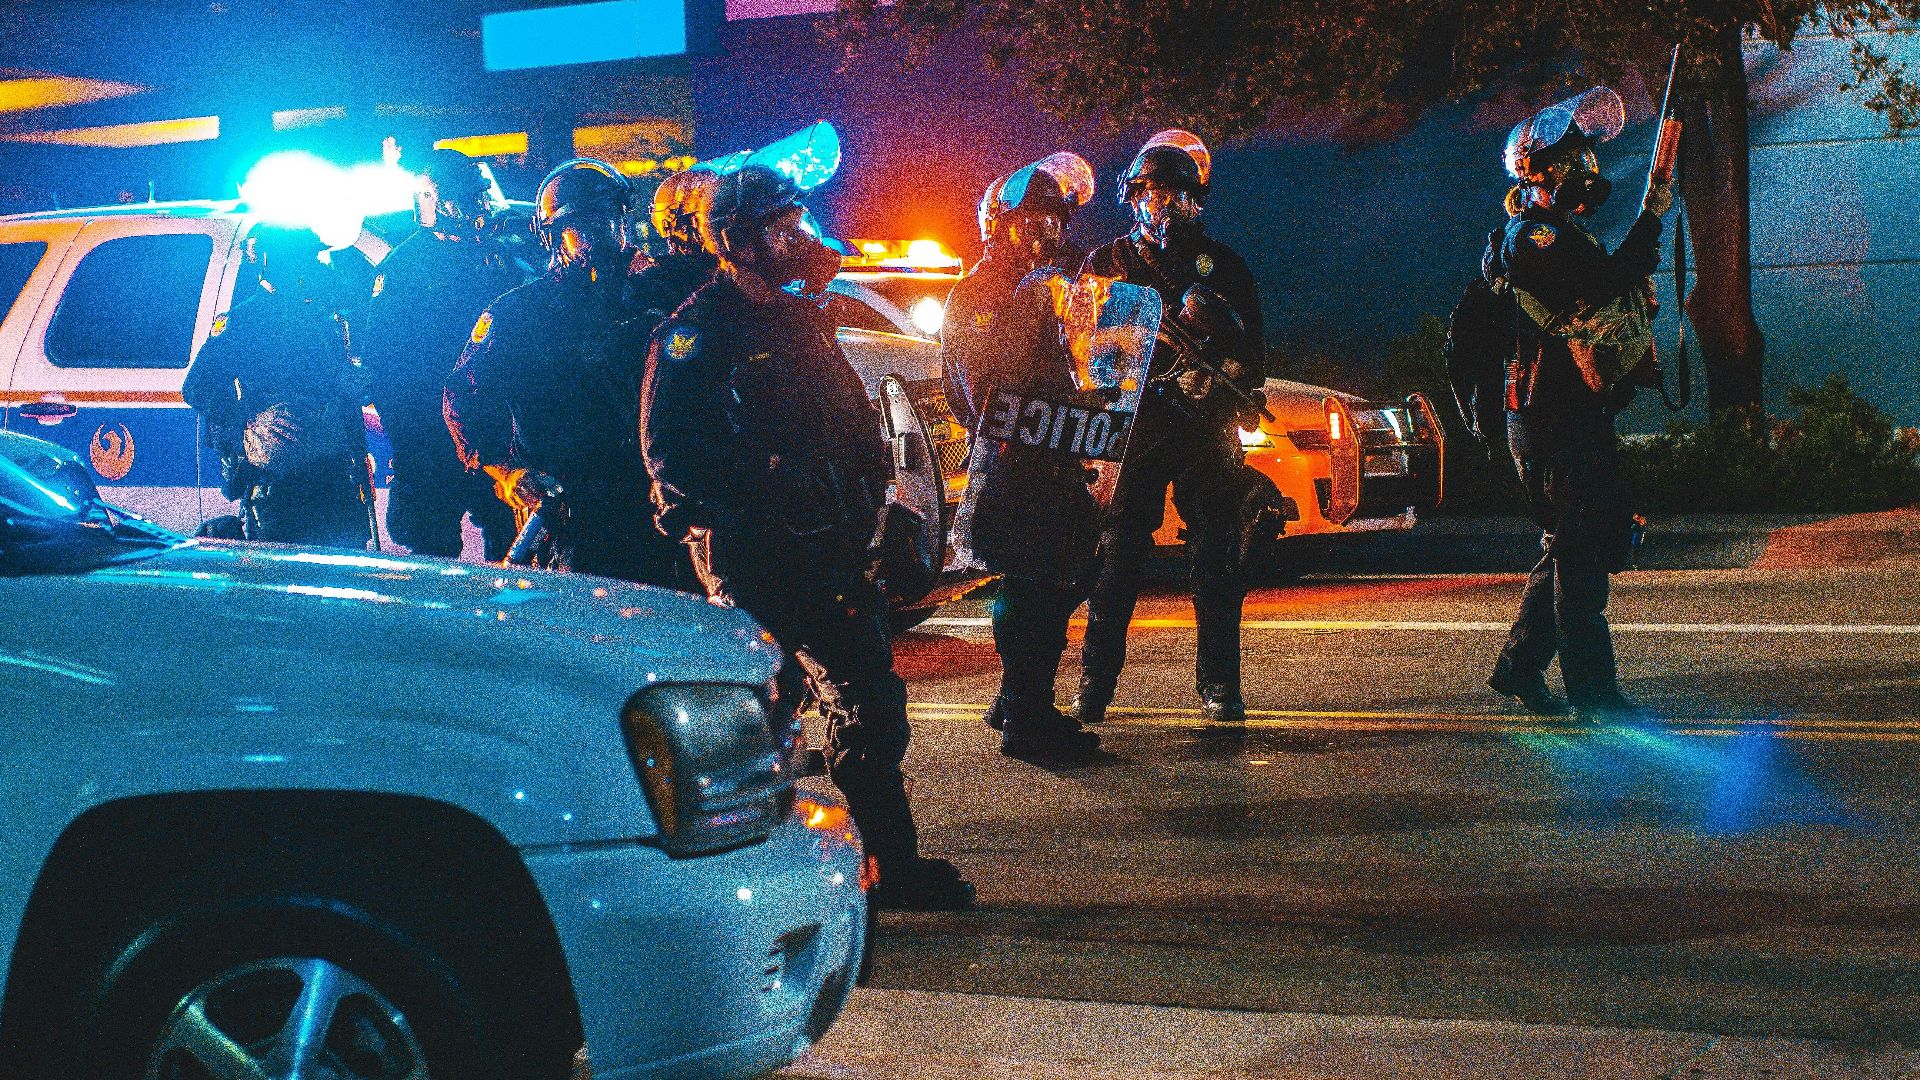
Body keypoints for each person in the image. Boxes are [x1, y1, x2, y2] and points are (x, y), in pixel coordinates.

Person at [639, 163, 974, 911]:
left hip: (829, 549)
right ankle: (745, 878)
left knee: (872, 704)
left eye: (799, 224)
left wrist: (876, 511)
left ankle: (893, 864)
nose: (799, 240)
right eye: (781, 229)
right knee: (757, 722)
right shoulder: (697, 333)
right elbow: (669, 454)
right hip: (755, 560)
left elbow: (852, 427)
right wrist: (747, 507)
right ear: (738, 242)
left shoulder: (802, 321)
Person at [1482, 87, 1671, 720]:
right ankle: (1594, 694)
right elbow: (1601, 282)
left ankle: (1518, 670)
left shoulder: (1563, 233)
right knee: (1583, 550)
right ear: (1539, 174)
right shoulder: (1532, 236)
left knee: (1570, 544)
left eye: (1585, 157)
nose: (1584, 169)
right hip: (1546, 416)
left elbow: (1614, 285)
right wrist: (1652, 211)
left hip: (1572, 412)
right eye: (1570, 160)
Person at [1072, 130, 1267, 726]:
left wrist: (1220, 357)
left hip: (1204, 426)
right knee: (1119, 558)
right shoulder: (1108, 263)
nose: (1166, 207)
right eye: (1155, 194)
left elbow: (1253, 353)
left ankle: (1219, 684)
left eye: (1179, 197)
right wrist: (1136, 349)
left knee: (1217, 558)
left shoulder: (1222, 264)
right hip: (1136, 427)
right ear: (1133, 197)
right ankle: (1095, 686)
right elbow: (1080, 346)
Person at [444, 158, 690, 587]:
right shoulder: (519, 313)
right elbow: (462, 398)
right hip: (574, 518)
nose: (603, 233)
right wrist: (508, 474)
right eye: (584, 225)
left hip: (659, 509)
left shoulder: (661, 299)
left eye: (609, 219)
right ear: (553, 236)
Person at [941, 153, 1103, 761]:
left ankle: (1021, 698)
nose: (1046, 233)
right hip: (1014, 457)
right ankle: (1025, 717)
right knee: (1030, 583)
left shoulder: (1051, 287)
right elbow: (981, 385)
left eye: (1055, 222)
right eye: (1034, 220)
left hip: (1058, 449)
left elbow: (1072, 368)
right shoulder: (982, 290)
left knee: (1070, 570)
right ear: (1004, 222)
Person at [360, 148, 524, 560]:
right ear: (432, 202)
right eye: (465, 198)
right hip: (430, 441)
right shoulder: (404, 269)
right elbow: (384, 365)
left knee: (513, 548)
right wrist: (412, 441)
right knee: (433, 555)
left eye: (478, 196)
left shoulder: (499, 260)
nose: (477, 207)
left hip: (493, 439)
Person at [182, 226, 370, 548]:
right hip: (281, 486)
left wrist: (359, 457)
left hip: (333, 478)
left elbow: (341, 395)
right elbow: (197, 387)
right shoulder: (244, 320)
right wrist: (246, 424)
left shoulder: (324, 320)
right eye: (305, 257)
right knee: (287, 583)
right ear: (272, 260)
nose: (314, 265)